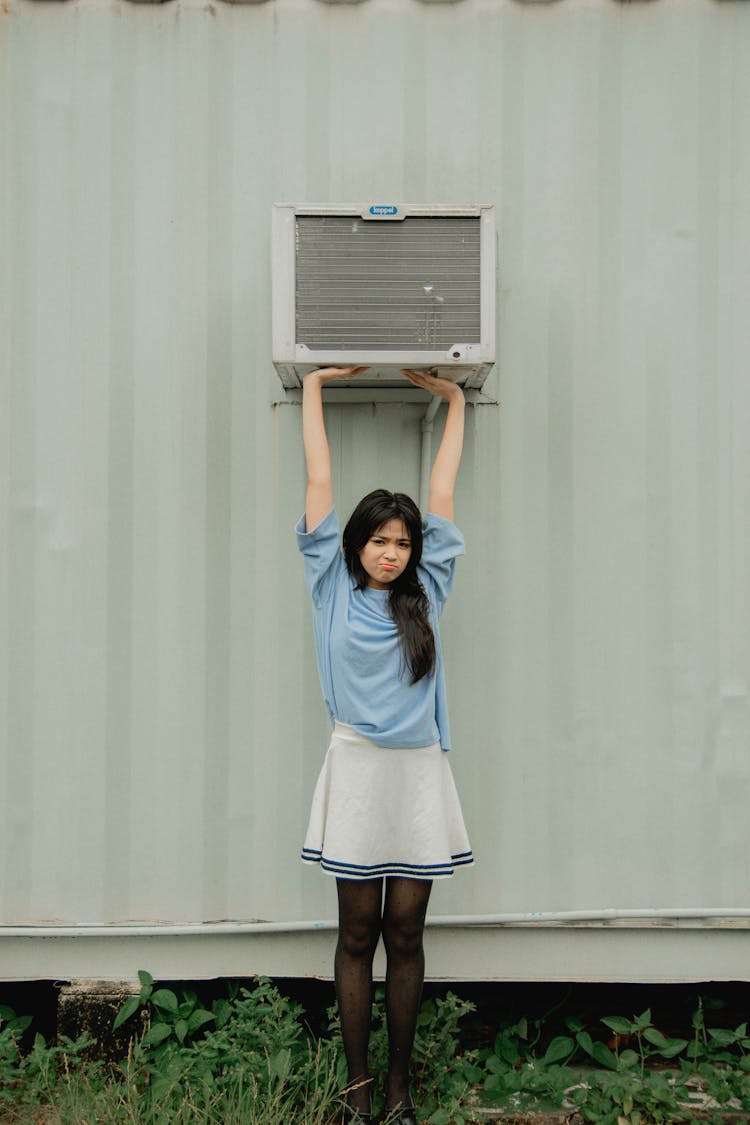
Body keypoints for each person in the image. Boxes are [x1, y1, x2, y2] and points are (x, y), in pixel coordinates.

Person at [296, 365, 474, 1125]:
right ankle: (357, 1094)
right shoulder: (328, 583)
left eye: (402, 541)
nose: (392, 551)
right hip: (358, 769)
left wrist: (457, 400)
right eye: (379, 539)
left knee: (406, 931)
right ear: (357, 544)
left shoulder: (427, 590)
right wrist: (313, 387)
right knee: (356, 931)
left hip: (418, 773)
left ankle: (399, 1095)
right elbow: (318, 475)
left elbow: (442, 490)